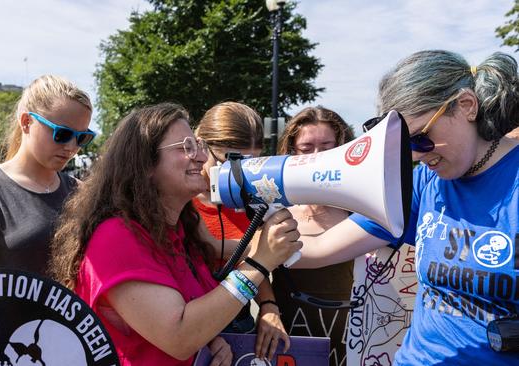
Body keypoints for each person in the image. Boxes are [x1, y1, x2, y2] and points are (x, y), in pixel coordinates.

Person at [290, 50, 519, 365]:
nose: (415, 156)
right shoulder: (426, 181)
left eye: (421, 138)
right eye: (404, 145)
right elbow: (320, 249)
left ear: (466, 106)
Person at [49, 103, 302, 366]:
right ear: (145, 163)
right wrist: (258, 263)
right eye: (185, 147)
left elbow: (190, 315)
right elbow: (178, 336)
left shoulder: (177, 230)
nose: (202, 158)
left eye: (199, 146)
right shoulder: (116, 237)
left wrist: (208, 339)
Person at [0, 74, 95, 279]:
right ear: (26, 121)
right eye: (62, 134)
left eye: (82, 138)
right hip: (7, 311)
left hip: (72, 312)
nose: (72, 147)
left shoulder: (80, 191)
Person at [194, 101, 289, 360]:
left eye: (250, 164)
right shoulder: (179, 199)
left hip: (240, 321)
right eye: (231, 161)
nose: (240, 176)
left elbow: (253, 263)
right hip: (192, 325)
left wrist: (269, 307)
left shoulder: (249, 198)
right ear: (200, 145)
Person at [274, 106, 355, 366]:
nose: (317, 156)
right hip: (290, 334)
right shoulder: (276, 209)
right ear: (291, 151)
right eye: (307, 149)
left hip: (352, 337)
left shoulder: (360, 207)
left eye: (327, 146)